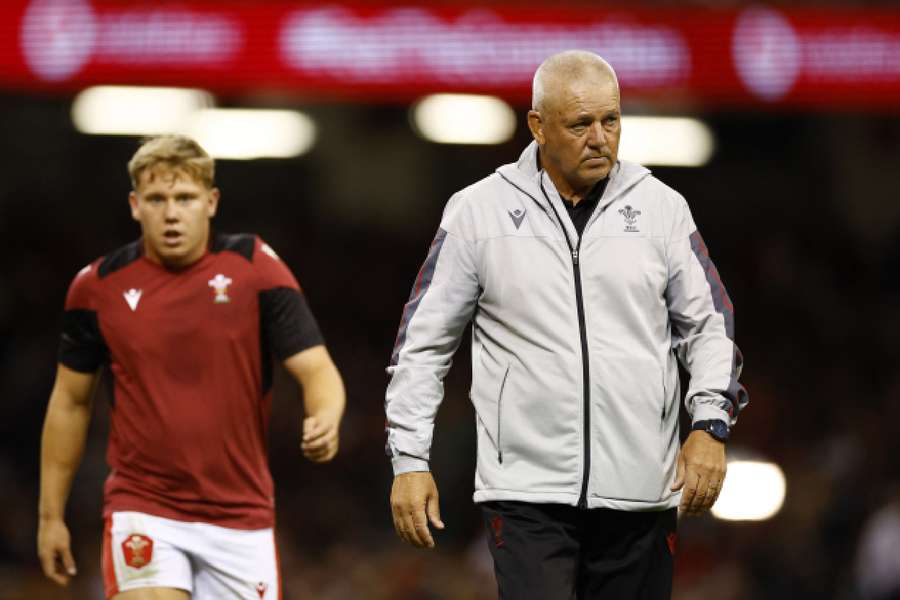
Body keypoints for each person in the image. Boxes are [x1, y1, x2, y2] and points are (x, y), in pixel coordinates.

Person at [385, 50, 748, 599]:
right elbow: (423, 345)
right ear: (538, 125)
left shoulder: (662, 210)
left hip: (642, 492)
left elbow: (709, 328)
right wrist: (410, 460)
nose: (600, 137)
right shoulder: (477, 213)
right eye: (581, 124)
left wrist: (709, 425)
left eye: (612, 120)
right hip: (526, 494)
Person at [37, 135, 345, 599]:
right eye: (157, 199)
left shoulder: (254, 268)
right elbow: (70, 402)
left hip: (241, 516)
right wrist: (49, 516)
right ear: (135, 205)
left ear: (211, 202)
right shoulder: (97, 286)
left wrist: (325, 416)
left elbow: (317, 369)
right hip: (144, 506)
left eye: (185, 198)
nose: (172, 213)